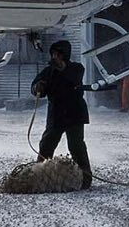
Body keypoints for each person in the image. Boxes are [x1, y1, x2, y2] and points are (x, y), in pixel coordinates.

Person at [30, 40, 93, 188]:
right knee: (46, 144)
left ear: (65, 55)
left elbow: (74, 78)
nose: (55, 57)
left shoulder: (77, 68)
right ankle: (40, 176)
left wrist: (62, 68)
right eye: (53, 54)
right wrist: (37, 87)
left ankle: (85, 178)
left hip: (74, 113)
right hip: (56, 114)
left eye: (58, 54)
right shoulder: (48, 71)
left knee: (76, 146)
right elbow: (36, 86)